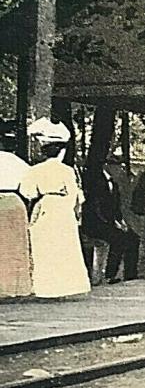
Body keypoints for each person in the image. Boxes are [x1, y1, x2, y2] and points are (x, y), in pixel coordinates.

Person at [19, 121, 90, 298]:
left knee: (43, 246)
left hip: (45, 206)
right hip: (63, 208)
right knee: (64, 247)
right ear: (61, 151)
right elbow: (74, 194)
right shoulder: (67, 171)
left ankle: (44, 287)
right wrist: (75, 211)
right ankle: (66, 287)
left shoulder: (34, 170)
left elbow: (27, 192)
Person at [82, 162, 141, 283]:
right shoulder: (97, 181)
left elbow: (116, 207)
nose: (120, 169)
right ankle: (110, 274)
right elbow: (96, 208)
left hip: (111, 222)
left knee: (134, 238)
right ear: (109, 166)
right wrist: (113, 223)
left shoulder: (113, 183)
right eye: (118, 166)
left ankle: (130, 274)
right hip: (96, 223)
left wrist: (122, 222)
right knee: (118, 239)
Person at [0, 121, 33, 298]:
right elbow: (29, 185)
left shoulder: (14, 160)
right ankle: (14, 287)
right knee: (15, 246)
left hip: (10, 199)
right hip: (13, 201)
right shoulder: (15, 161)